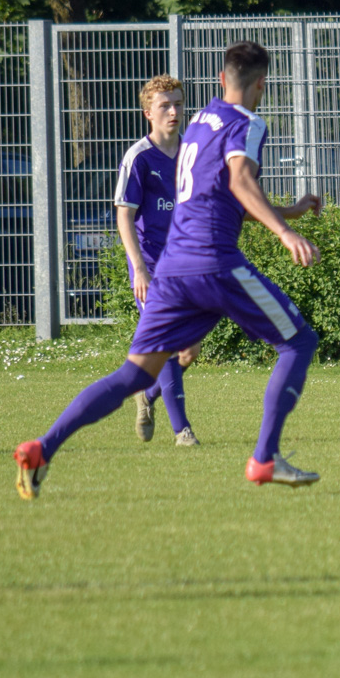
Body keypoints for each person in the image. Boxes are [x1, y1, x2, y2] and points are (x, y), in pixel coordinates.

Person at [15, 42, 325, 495]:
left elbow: (220, 197)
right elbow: (241, 181)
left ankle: (42, 448)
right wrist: (285, 232)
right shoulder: (247, 123)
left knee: (134, 375)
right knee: (298, 341)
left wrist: (288, 212)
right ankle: (264, 458)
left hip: (172, 270)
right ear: (261, 83)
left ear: (221, 79)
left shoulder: (199, 123)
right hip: (215, 261)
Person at [115, 74, 201, 446]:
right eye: (164, 105)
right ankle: (183, 431)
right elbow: (124, 215)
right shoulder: (139, 157)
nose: (173, 111)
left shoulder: (193, 154)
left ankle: (147, 394)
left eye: (178, 104)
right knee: (167, 343)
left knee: (188, 351)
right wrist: (139, 268)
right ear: (148, 113)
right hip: (152, 268)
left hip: (187, 268)